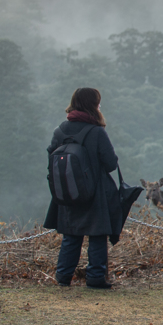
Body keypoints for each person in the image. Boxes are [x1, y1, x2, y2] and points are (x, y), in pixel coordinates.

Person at [44, 88, 122, 289]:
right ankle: (95, 278)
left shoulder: (60, 130)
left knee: (71, 235)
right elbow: (111, 163)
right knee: (97, 235)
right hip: (94, 193)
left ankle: (63, 277)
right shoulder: (96, 131)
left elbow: (51, 159)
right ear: (93, 105)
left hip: (67, 192)